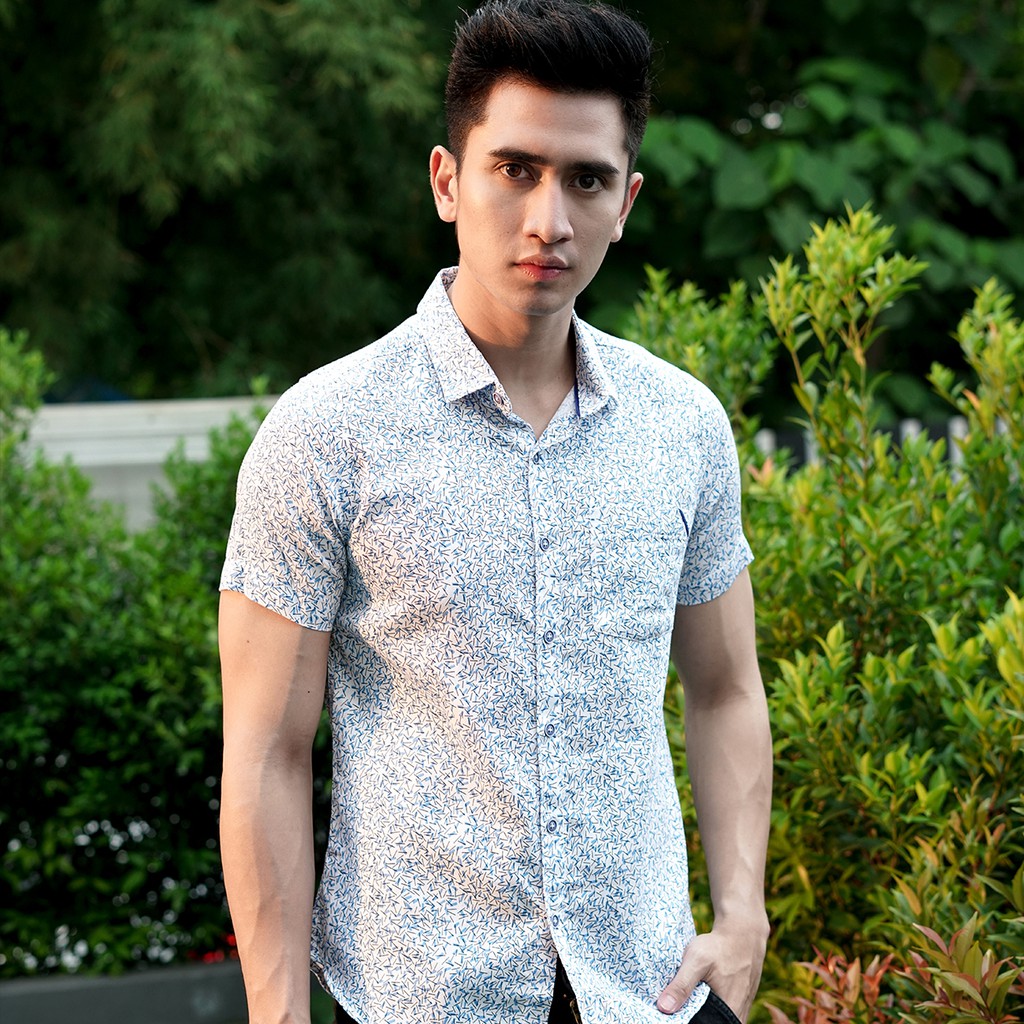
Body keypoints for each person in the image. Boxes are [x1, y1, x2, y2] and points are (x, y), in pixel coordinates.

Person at [218, 1, 772, 1022]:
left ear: (626, 200)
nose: (548, 218)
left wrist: (743, 919)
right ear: (447, 180)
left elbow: (726, 688)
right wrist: (277, 1011)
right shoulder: (326, 432)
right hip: (422, 997)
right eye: (515, 168)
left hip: (648, 992)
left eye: (586, 179)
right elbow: (266, 754)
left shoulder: (684, 427)